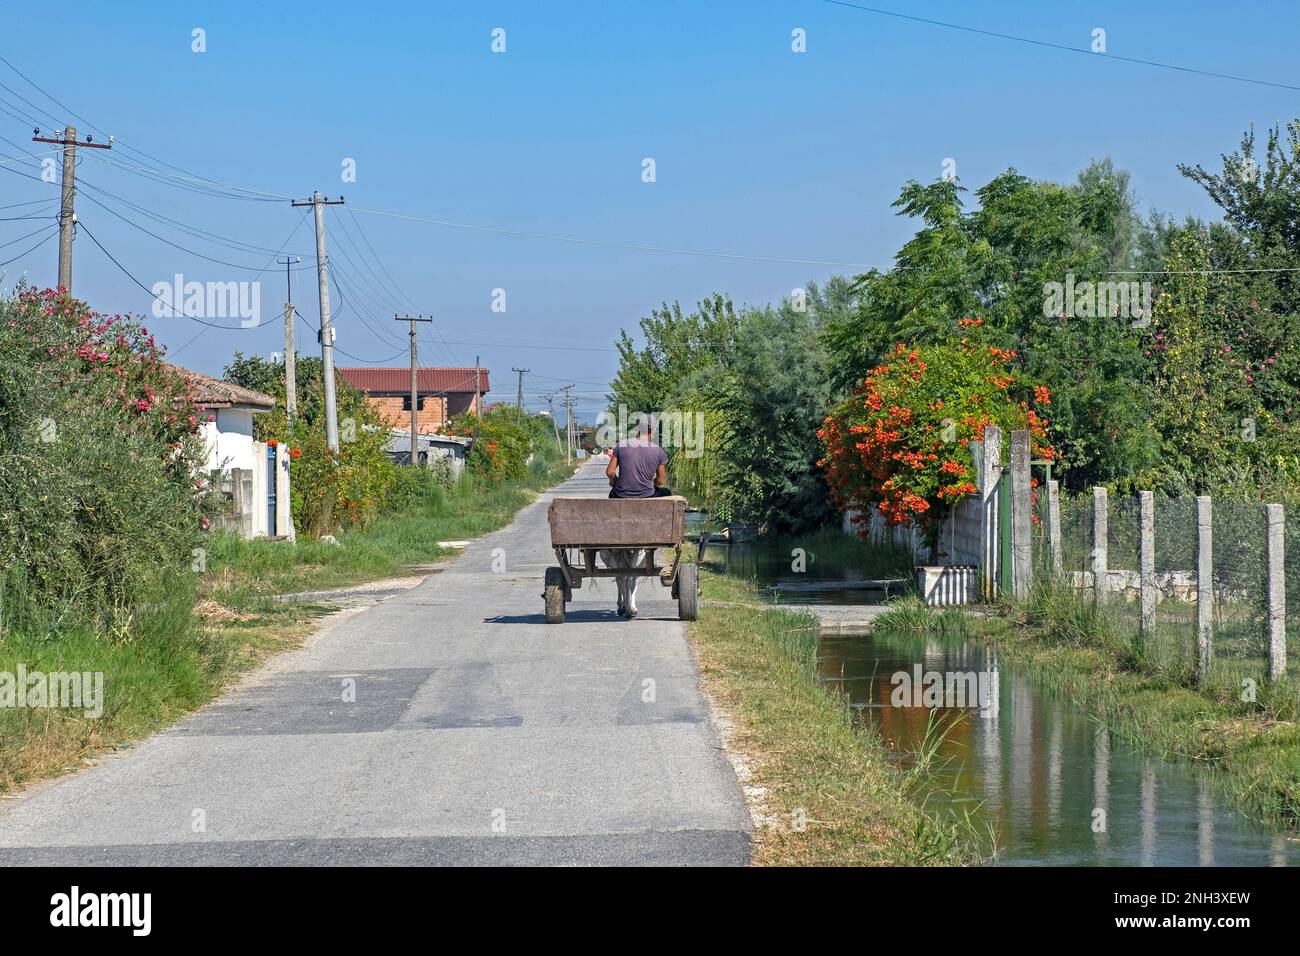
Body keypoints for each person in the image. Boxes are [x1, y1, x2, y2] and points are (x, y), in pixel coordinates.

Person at [606, 417, 670, 498]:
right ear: (653, 429)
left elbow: (610, 472)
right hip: (648, 495)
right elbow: (660, 480)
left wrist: (614, 481)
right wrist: (648, 486)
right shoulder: (659, 451)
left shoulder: (622, 445)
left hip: (621, 494)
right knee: (666, 492)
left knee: (612, 493)